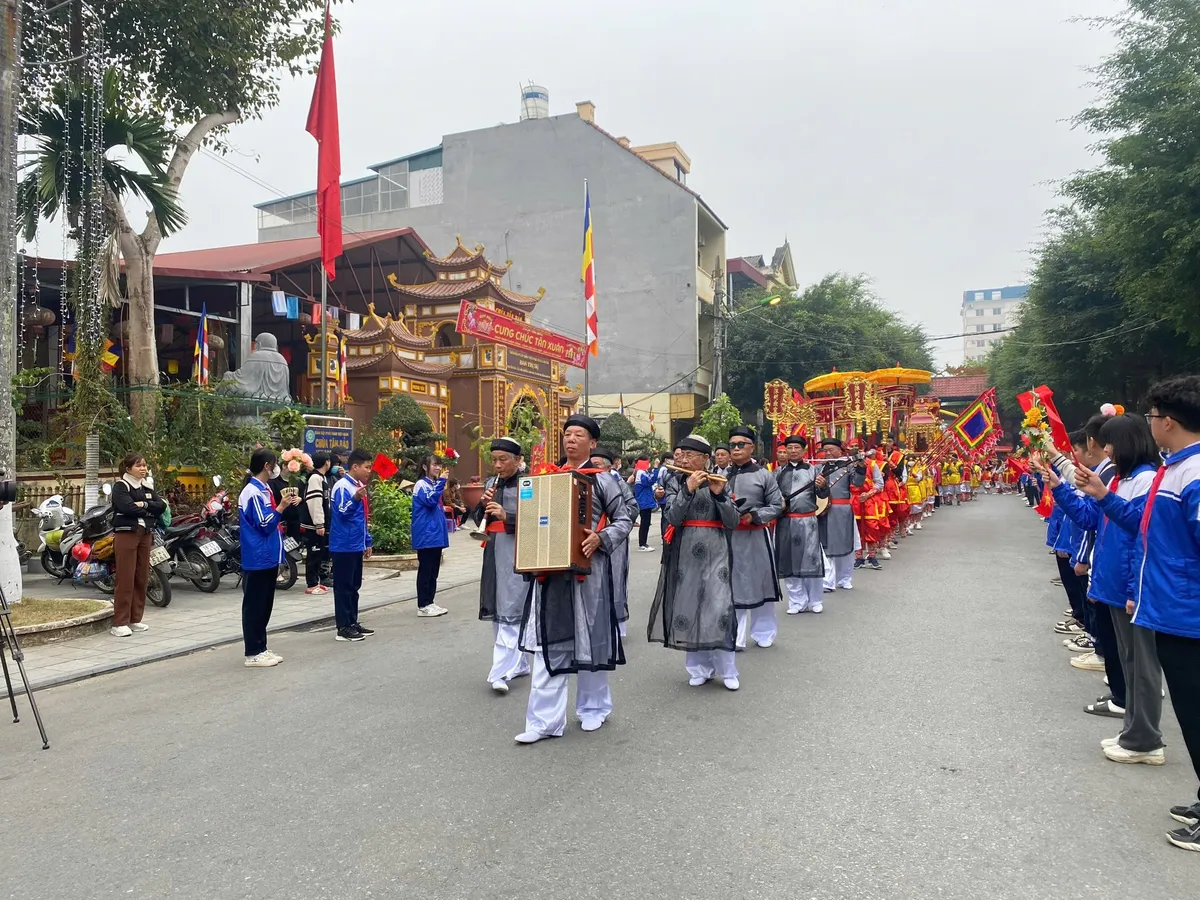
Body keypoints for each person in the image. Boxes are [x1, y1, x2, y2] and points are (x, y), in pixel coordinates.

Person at [1076, 376, 1200, 851]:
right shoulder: (1173, 469)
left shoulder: (1190, 473)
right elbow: (1139, 528)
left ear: (1168, 420)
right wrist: (1102, 496)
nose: (1151, 425)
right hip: (1167, 607)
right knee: (1190, 712)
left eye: (1152, 416)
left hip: (1186, 613)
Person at [1047, 413, 1162, 753]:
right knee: (1128, 662)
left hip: (1125, 587)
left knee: (1140, 666)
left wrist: (1131, 590)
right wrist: (1058, 488)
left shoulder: (1144, 480)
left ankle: (1145, 738)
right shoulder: (1121, 481)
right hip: (1110, 584)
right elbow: (1088, 519)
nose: (1106, 450)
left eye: (1110, 443)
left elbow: (1139, 536)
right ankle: (1134, 732)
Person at [516, 414, 632, 743]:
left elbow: (624, 519)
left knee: (589, 639)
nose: (570, 440)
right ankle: (543, 722)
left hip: (588, 573)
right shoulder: (544, 476)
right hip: (549, 572)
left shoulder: (603, 480)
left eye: (578, 435)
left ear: (592, 443)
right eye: (567, 434)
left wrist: (601, 538)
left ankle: (593, 708)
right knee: (547, 641)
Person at [648, 433, 740, 689]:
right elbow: (672, 517)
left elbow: (733, 521)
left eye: (690, 456)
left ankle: (728, 670)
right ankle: (698, 667)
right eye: (682, 455)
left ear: (704, 459)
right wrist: (687, 490)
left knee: (719, 606)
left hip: (716, 548)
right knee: (688, 605)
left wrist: (720, 496)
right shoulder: (676, 482)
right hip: (685, 548)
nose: (684, 460)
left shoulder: (721, 481)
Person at [476, 437, 531, 693]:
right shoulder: (491, 483)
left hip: (517, 550)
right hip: (494, 551)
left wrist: (507, 516)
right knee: (500, 608)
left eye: (503, 460)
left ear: (518, 460)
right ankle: (519, 662)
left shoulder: (529, 484)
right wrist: (482, 506)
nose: (497, 465)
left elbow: (537, 519)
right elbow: (477, 518)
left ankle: (499, 672)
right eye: (494, 460)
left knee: (512, 607)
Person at [239, 449, 300, 667]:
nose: (277, 469)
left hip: (267, 555)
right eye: (275, 464)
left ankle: (261, 647)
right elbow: (264, 524)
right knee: (254, 605)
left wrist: (287, 505)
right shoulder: (252, 492)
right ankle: (253, 652)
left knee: (265, 604)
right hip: (257, 556)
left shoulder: (264, 489)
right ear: (267, 466)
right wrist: (281, 507)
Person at [724, 426, 784, 646]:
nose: (736, 449)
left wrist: (755, 516)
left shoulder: (763, 475)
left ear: (752, 447)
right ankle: (735, 637)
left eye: (741, 444)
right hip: (729, 538)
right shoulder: (721, 475)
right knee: (731, 585)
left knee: (761, 583)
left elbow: (777, 505)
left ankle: (764, 632)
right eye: (732, 445)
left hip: (756, 536)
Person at [109, 453, 166, 637]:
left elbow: (161, 506)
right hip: (127, 534)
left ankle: (135, 619)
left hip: (145, 535)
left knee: (141, 577)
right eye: (138, 466)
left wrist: (143, 504)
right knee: (125, 577)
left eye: (144, 465)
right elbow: (126, 508)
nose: (143, 469)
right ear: (128, 469)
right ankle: (119, 622)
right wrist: (148, 508)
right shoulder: (121, 487)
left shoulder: (146, 486)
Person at [774, 434, 826, 615]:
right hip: (786, 522)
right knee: (788, 561)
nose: (793, 451)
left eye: (797, 447)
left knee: (812, 560)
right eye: (790, 448)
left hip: (808, 521)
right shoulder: (778, 473)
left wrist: (823, 486)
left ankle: (815, 600)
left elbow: (822, 496)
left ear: (803, 450)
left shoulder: (814, 471)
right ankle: (797, 601)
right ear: (785, 451)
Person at [328, 449, 375, 641]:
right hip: (343, 544)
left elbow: (361, 518)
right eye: (366, 467)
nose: (369, 471)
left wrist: (367, 540)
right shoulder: (342, 487)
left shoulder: (357, 486)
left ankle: (352, 621)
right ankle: (343, 627)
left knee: (354, 585)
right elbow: (341, 512)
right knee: (344, 587)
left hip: (356, 544)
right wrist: (355, 499)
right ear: (354, 467)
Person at [591, 447, 637, 637]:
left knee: (614, 579)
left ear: (609, 467)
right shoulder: (587, 481)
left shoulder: (618, 483)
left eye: (597, 465)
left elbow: (632, 507)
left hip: (613, 539)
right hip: (590, 539)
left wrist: (613, 521)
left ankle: (616, 624)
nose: (592, 468)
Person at [817, 437, 862, 590]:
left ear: (839, 450)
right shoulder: (818, 468)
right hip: (823, 510)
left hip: (842, 510)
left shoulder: (847, 466)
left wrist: (861, 467)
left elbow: (858, 483)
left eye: (831, 450)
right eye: (825, 450)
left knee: (845, 543)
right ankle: (828, 582)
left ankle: (845, 578)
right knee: (826, 545)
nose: (828, 453)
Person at [411, 454, 450, 618]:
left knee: (434, 570)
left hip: (435, 534)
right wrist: (441, 482)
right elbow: (430, 500)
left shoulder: (432, 484)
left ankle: (430, 601)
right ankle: (423, 604)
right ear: (425, 467)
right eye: (434, 465)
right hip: (426, 534)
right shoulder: (421, 484)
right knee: (426, 569)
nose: (437, 468)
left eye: (439, 465)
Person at [301, 452, 333, 595]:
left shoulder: (321, 478)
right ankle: (312, 584)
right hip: (313, 525)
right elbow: (315, 502)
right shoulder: (315, 478)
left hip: (320, 524)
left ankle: (316, 582)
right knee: (314, 554)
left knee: (319, 553)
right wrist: (319, 524)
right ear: (326, 462)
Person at [630, 456, 659, 552]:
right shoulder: (641, 473)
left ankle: (643, 543)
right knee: (644, 524)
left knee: (646, 523)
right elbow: (651, 480)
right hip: (644, 502)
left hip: (645, 501)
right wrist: (655, 468)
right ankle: (642, 544)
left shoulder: (642, 472)